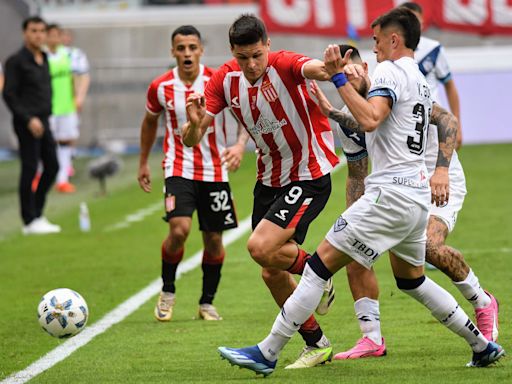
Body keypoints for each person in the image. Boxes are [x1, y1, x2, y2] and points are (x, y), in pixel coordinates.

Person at [216, 8, 504, 376]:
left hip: (390, 195)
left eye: (377, 40)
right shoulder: (417, 77)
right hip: (414, 197)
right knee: (411, 279)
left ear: (394, 39)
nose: (375, 48)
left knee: (318, 268)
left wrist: (337, 78)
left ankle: (268, 351)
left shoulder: (388, 70)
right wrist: (338, 107)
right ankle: (482, 345)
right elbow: (377, 121)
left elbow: (371, 119)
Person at [309, 45, 499, 360]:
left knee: (429, 246)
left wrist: (441, 170)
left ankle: (481, 301)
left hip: (439, 180)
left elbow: (448, 121)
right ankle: (371, 338)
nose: (347, 78)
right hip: (398, 190)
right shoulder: (351, 119)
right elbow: (357, 174)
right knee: (359, 251)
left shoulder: (397, 86)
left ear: (365, 69)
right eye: (340, 75)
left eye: (353, 70)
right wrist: (353, 220)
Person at [183, 14, 338, 368]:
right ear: (232, 53)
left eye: (257, 55)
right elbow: (193, 138)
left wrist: (333, 67)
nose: (251, 65)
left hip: (307, 174)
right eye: (243, 57)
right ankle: (317, 343)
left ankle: (318, 272)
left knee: (259, 247)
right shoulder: (223, 80)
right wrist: (192, 126)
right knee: (270, 269)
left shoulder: (283, 63)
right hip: (269, 180)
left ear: (267, 45)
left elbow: (314, 68)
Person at [138, 25, 247, 322]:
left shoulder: (218, 81)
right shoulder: (161, 86)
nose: (187, 53)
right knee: (179, 229)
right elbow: (149, 123)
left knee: (214, 239)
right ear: (173, 51)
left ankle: (206, 303)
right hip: (178, 167)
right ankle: (168, 291)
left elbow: (244, 112)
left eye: (192, 47)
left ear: (201, 50)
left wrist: (239, 145)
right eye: (181, 48)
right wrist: (144, 162)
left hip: (215, 170)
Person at [3, 16, 60, 235]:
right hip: (27, 122)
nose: (38, 35)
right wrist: (28, 119)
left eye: (41, 31)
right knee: (29, 168)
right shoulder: (16, 61)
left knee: (53, 166)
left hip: (45, 120)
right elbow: (9, 94)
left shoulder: (44, 57)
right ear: (25, 33)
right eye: (33, 31)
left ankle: (37, 212)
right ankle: (29, 220)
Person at [401, 2, 463, 149]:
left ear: (422, 22)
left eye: (415, 20)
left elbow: (450, 85)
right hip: (405, 124)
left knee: (447, 170)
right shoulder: (392, 51)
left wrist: (457, 126)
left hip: (434, 123)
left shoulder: (433, 49)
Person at [45, 23, 90, 193]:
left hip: (66, 106)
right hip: (47, 107)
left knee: (65, 142)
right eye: (52, 35)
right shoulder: (42, 56)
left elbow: (81, 77)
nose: (56, 38)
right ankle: (42, 175)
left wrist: (78, 98)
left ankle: (62, 179)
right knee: (47, 143)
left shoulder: (70, 55)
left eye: (58, 35)